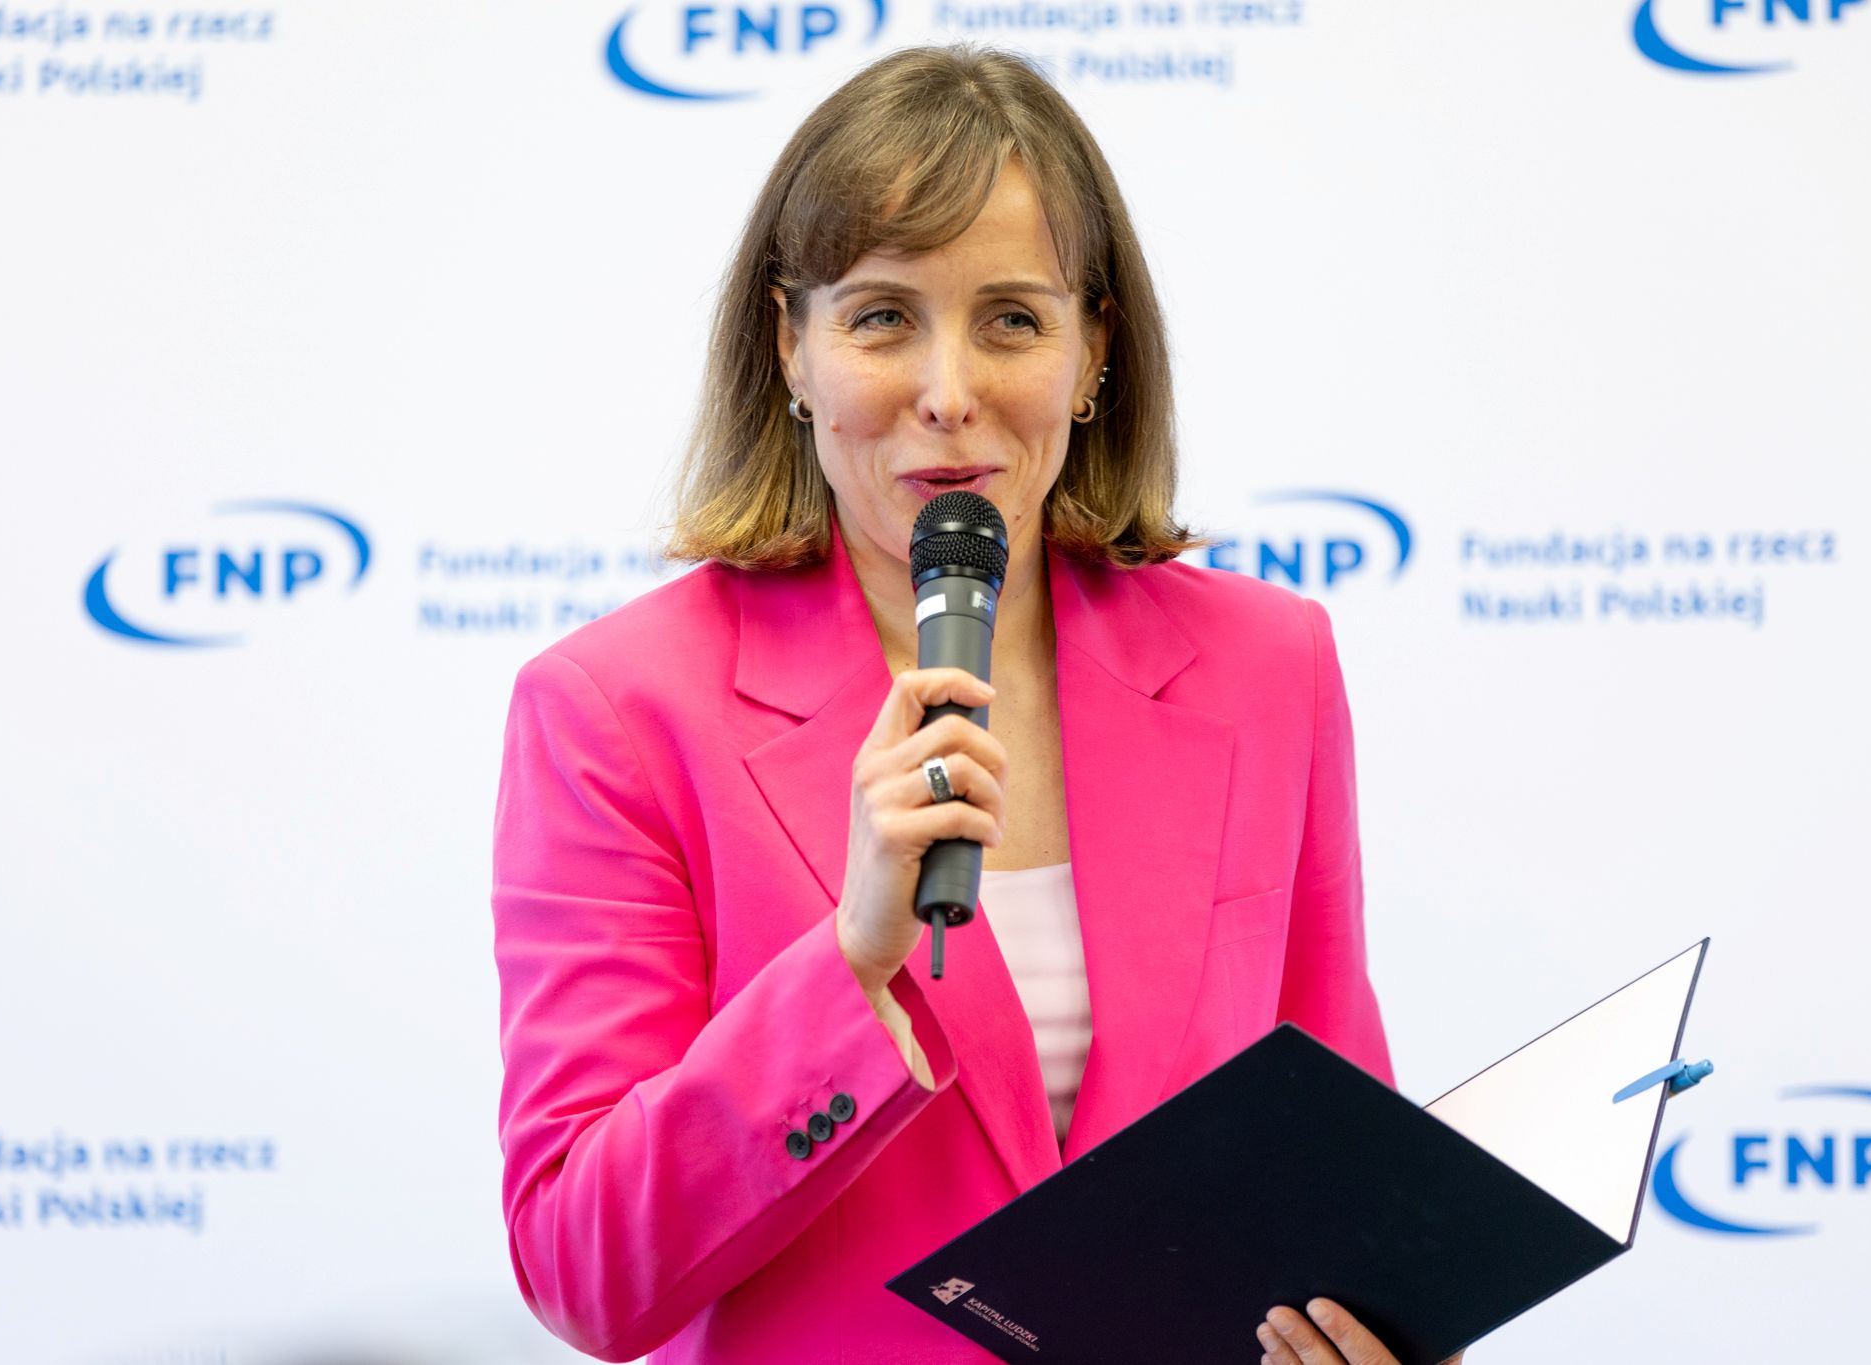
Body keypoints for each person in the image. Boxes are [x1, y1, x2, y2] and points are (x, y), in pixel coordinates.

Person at [493, 42, 1458, 1365]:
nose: (949, 393)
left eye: (1011, 319)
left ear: (1093, 349)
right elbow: (583, 1268)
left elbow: (1342, 1159)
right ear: (791, 345)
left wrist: (1392, 1328)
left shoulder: (1266, 664)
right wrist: (852, 957)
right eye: (882, 317)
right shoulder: (615, 711)